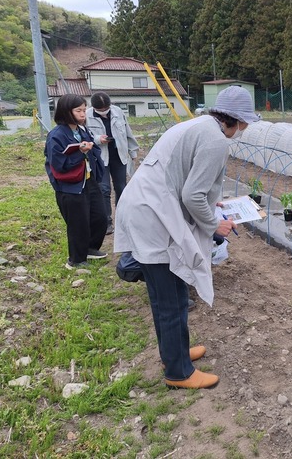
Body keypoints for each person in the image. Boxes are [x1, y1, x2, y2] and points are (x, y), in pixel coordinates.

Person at [114, 86, 260, 389]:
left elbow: (186, 180)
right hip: (153, 217)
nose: (246, 127)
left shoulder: (198, 125)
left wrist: (212, 203)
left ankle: (175, 354)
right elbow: (192, 195)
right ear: (239, 120)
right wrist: (214, 225)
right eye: (246, 121)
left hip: (147, 207)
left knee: (172, 295)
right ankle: (178, 373)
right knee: (169, 299)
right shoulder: (216, 141)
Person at [44, 94, 108, 269]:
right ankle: (76, 260)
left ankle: (90, 248)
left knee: (100, 218)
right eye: (78, 110)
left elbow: (93, 153)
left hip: (88, 180)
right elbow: (59, 164)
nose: (83, 114)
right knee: (77, 223)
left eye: (83, 110)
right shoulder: (56, 135)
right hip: (69, 186)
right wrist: (81, 152)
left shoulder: (81, 130)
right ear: (67, 112)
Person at [85, 92, 139, 235]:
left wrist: (133, 151)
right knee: (104, 189)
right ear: (94, 108)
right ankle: (107, 222)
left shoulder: (118, 111)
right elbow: (85, 134)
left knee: (121, 187)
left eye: (106, 109)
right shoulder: (87, 115)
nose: (104, 112)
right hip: (100, 157)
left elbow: (128, 132)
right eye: (100, 110)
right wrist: (97, 139)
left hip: (118, 155)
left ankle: (123, 219)